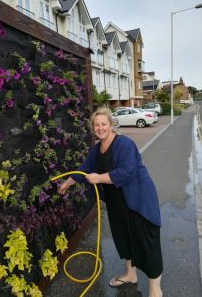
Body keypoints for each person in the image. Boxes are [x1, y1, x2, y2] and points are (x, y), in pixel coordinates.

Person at [57, 107, 163, 297]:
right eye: (96, 125)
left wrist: (98, 178)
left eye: (103, 124)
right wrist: (68, 182)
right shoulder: (97, 149)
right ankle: (131, 275)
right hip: (117, 204)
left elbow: (127, 171)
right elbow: (84, 169)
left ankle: (155, 289)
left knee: (147, 244)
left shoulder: (124, 144)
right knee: (125, 240)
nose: (100, 128)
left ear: (111, 124)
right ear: (92, 128)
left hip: (138, 201)